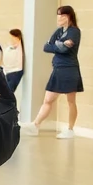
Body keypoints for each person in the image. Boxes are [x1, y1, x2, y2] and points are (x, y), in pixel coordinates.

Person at [21, 7, 82, 140]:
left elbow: (66, 49)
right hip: (58, 69)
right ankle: (35, 125)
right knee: (48, 99)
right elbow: (46, 47)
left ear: (68, 17)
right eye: (58, 16)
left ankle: (70, 129)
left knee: (71, 101)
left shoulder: (74, 32)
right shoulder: (59, 31)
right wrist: (59, 44)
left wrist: (57, 45)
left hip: (69, 69)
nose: (59, 19)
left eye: (61, 16)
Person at [3, 29, 25, 94]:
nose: (11, 39)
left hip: (15, 71)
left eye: (12, 37)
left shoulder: (19, 47)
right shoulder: (10, 47)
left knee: (8, 93)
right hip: (8, 71)